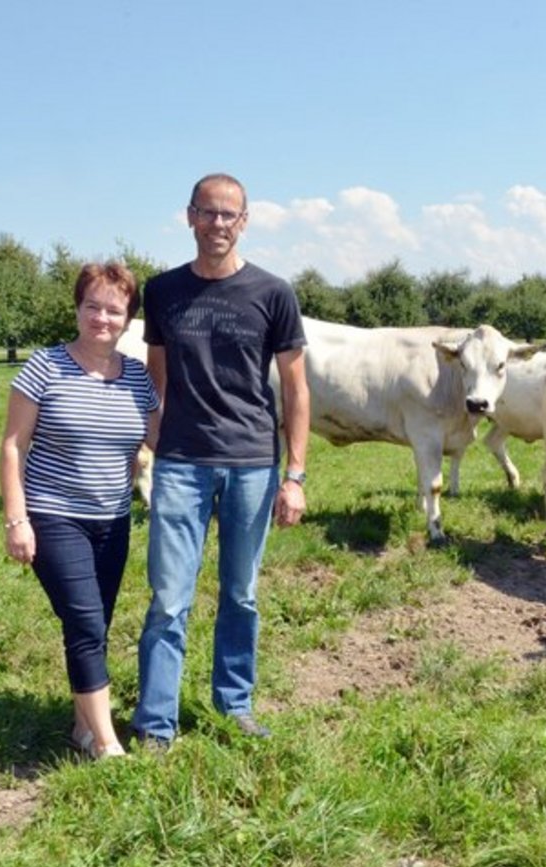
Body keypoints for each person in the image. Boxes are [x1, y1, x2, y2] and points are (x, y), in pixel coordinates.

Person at [131, 173, 310, 749]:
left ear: (245, 221)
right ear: (189, 217)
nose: (217, 224)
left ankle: (234, 704)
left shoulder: (273, 294)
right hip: (182, 462)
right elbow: (157, 376)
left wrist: (295, 475)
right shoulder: (162, 292)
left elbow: (296, 389)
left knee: (241, 593)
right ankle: (157, 722)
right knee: (170, 596)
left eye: (229, 215)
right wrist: (157, 442)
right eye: (207, 213)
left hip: (253, 463)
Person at [0, 262, 159, 760]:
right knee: (87, 623)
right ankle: (106, 743)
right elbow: (12, 447)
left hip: (112, 521)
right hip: (52, 515)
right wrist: (16, 519)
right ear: (77, 308)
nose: (102, 318)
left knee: (94, 623)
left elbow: (163, 439)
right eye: (92, 306)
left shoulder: (136, 376)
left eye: (114, 310)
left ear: (129, 320)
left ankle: (80, 725)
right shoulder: (44, 366)